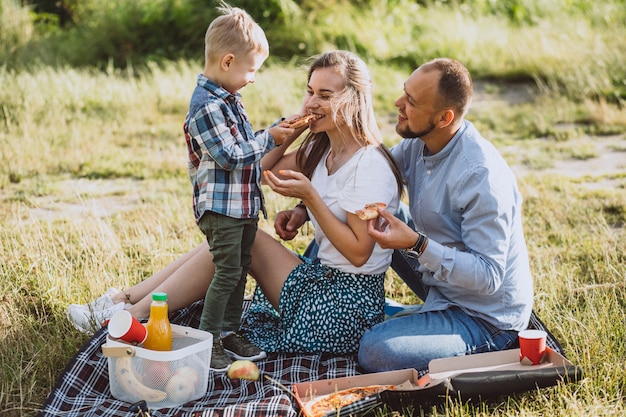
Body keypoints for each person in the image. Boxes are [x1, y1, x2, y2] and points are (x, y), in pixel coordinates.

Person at [67, 51, 403, 361]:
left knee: (243, 237)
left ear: (355, 101)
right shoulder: (322, 149)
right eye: (309, 91)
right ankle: (122, 301)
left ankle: (132, 314)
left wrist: (311, 200)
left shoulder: (368, 167)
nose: (311, 101)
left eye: (325, 96)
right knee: (233, 234)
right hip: (322, 280)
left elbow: (360, 252)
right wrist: (287, 133)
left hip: (343, 308)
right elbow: (257, 170)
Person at [356, 58, 534, 372]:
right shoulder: (419, 143)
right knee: (372, 215)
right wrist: (306, 207)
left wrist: (416, 244)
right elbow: (372, 176)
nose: (398, 104)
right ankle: (350, 302)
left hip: (485, 318)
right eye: (404, 93)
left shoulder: (481, 176)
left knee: (375, 350)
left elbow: (488, 277)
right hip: (443, 283)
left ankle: (410, 321)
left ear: (443, 117)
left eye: (411, 102)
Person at [181, 2, 298, 371]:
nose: (253, 78)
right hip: (222, 209)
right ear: (228, 62)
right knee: (226, 270)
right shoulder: (205, 108)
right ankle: (208, 338)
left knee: (240, 266)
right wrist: (269, 138)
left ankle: (229, 330)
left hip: (243, 206)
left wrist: (279, 129)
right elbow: (231, 156)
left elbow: (246, 146)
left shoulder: (229, 100)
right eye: (251, 70)